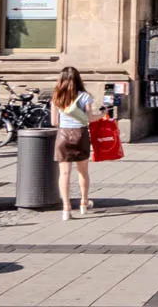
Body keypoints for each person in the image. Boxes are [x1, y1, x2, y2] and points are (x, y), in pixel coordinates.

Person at [50, 65, 95, 218]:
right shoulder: (85, 96)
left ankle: (66, 208)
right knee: (82, 171)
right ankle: (83, 202)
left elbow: (54, 122)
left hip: (63, 135)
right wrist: (103, 114)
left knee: (64, 173)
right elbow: (90, 118)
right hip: (81, 134)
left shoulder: (57, 97)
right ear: (78, 79)